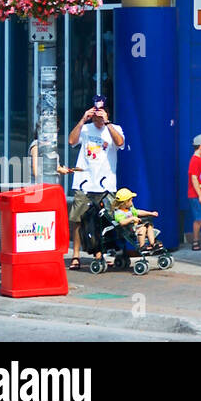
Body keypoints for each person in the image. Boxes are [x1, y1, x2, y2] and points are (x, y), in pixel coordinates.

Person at [66, 95, 124, 271]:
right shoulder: (85, 129)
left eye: (101, 115)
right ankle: (75, 255)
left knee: (106, 219)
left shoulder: (115, 129)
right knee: (77, 219)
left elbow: (120, 142)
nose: (98, 119)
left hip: (106, 184)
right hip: (84, 181)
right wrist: (83, 119)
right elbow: (71, 141)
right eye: (96, 115)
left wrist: (107, 124)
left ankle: (102, 252)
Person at [112, 187, 162, 252]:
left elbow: (138, 212)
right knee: (143, 228)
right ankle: (142, 246)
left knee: (149, 225)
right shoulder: (119, 212)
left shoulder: (130, 209)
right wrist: (131, 218)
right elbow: (122, 222)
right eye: (131, 200)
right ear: (125, 202)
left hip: (135, 227)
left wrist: (151, 213)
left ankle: (153, 244)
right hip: (129, 230)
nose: (132, 202)